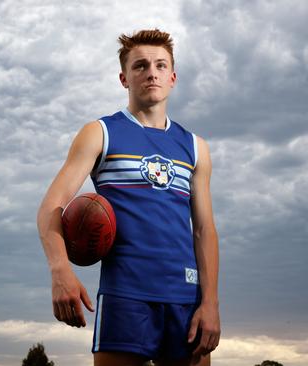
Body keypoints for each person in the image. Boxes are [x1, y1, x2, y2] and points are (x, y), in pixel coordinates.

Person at [37, 29, 220, 366]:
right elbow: (52, 206)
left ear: (173, 77)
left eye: (160, 65)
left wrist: (210, 302)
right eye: (140, 66)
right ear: (124, 78)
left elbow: (204, 230)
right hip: (126, 294)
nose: (151, 72)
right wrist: (60, 270)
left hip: (185, 297)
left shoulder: (196, 148)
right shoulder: (100, 133)